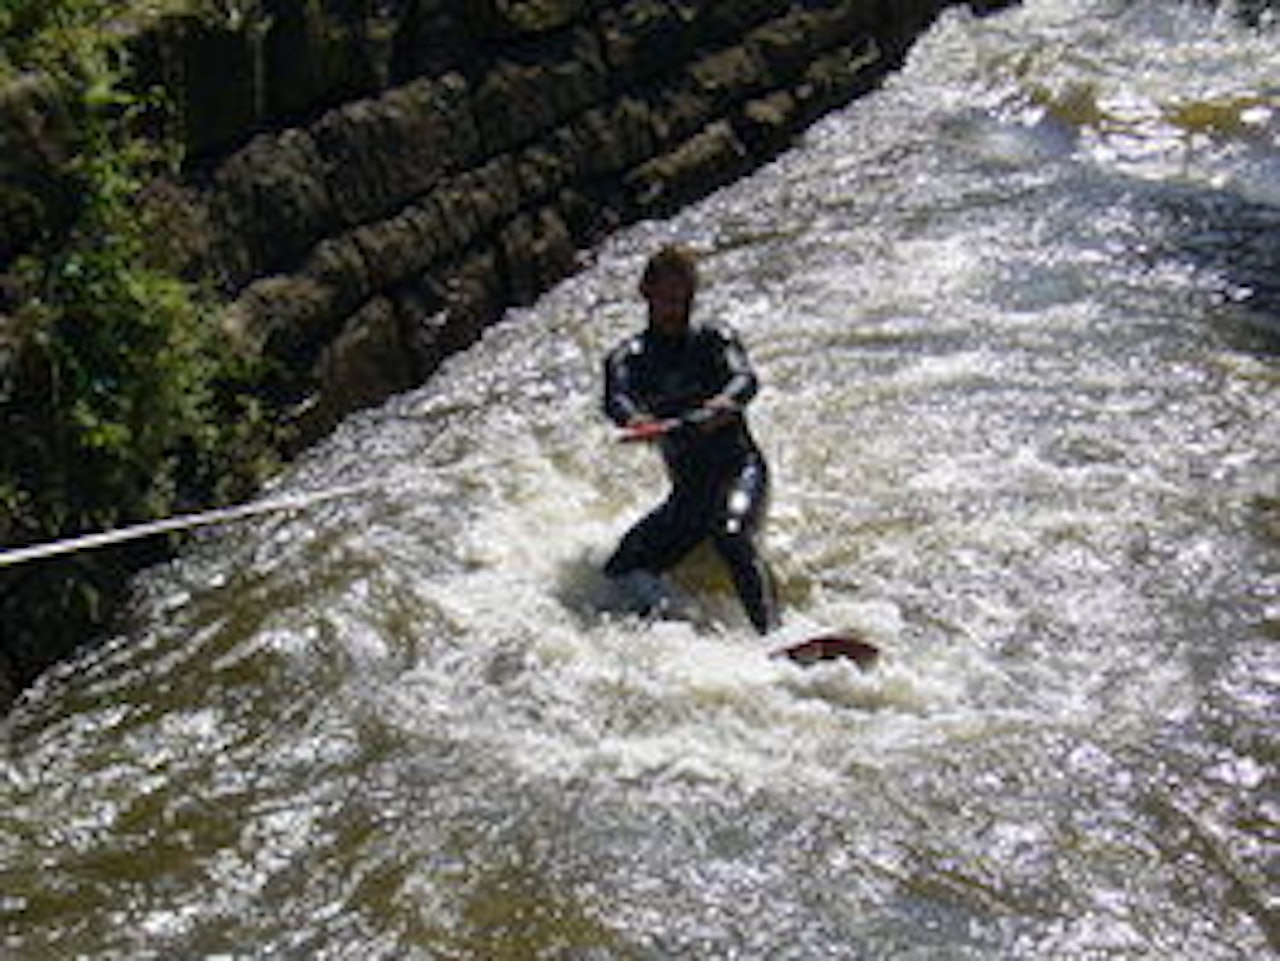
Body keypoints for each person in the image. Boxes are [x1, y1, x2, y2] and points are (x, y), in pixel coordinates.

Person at [602, 245, 779, 634]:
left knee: (730, 535)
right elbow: (616, 400)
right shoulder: (628, 359)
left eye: (683, 300)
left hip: (739, 471)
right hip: (689, 494)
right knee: (620, 569)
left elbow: (744, 379)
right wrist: (636, 421)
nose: (675, 309)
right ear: (645, 292)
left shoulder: (714, 339)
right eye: (666, 299)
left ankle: (773, 635)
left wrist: (724, 403)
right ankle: (680, 636)